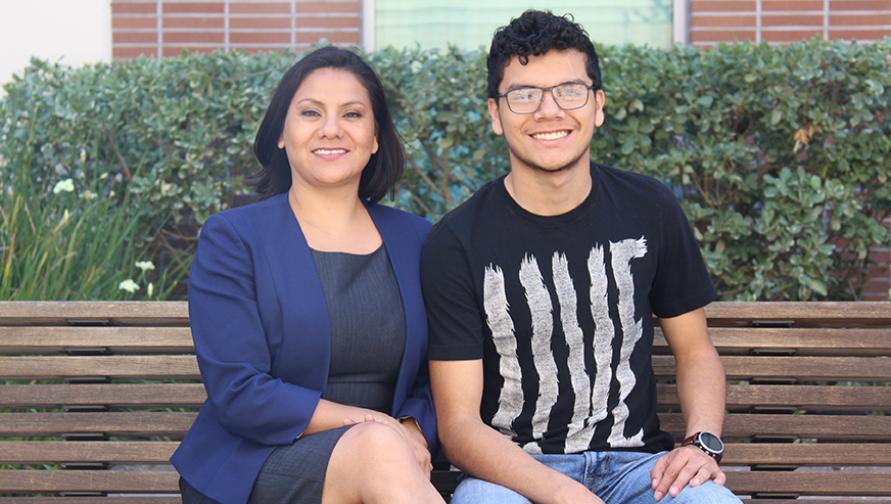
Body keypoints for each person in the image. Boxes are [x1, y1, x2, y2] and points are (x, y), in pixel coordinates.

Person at [422, 10, 742, 504]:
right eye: (524, 95)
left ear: (598, 105)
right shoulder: (456, 242)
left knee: (710, 502)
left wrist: (701, 443)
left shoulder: (649, 208)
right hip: (515, 475)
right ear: (494, 113)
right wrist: (564, 494)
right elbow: (459, 426)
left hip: (639, 469)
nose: (548, 111)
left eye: (569, 91)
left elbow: (695, 351)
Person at [171, 46, 444, 504]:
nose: (331, 128)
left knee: (379, 452)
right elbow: (238, 390)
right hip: (254, 464)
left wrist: (413, 429)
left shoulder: (418, 240)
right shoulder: (234, 238)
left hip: (387, 470)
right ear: (282, 132)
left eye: (353, 114)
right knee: (377, 448)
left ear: (376, 137)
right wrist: (377, 427)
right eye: (311, 112)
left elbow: (441, 374)